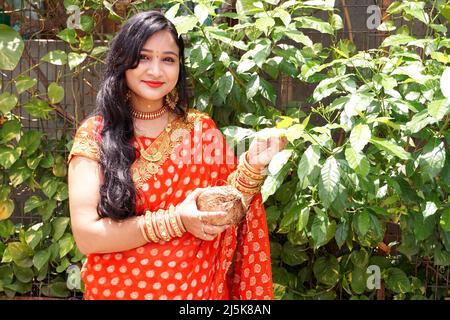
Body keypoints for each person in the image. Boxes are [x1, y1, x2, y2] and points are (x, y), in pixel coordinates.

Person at [67, 10, 288, 300]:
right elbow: (87, 237)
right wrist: (177, 221)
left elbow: (227, 208)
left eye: (168, 59)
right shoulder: (95, 134)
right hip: (115, 292)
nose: (156, 71)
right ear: (123, 60)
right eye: (144, 57)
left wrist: (253, 165)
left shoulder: (199, 129)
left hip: (193, 294)